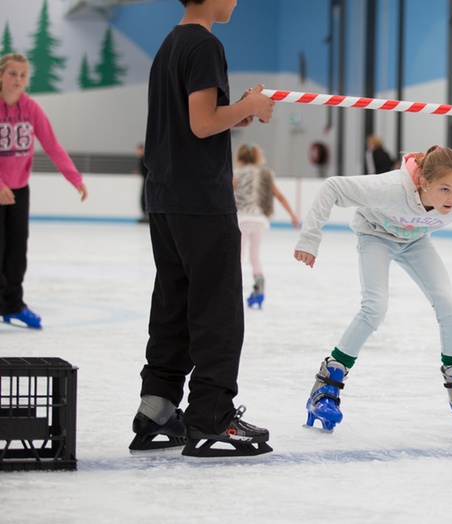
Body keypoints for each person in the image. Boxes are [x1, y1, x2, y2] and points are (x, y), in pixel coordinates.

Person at [294, 146, 452, 431]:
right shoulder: (391, 188)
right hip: (375, 234)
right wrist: (309, 239)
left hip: (415, 241)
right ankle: (325, 386)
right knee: (374, 307)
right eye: (445, 189)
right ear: (424, 183)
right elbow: (333, 187)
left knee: (449, 305)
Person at [129, 0, 275, 458]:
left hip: (166, 197)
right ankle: (212, 415)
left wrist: (239, 111)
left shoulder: (170, 45)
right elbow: (202, 122)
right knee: (218, 309)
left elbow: (197, 120)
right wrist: (247, 105)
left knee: (174, 302)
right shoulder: (205, 45)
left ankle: (157, 406)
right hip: (200, 200)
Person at [0, 53, 88, 330]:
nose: (18, 80)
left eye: (23, 75)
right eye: (13, 73)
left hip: (19, 191)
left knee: (17, 252)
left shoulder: (32, 109)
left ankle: (12, 305)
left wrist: (75, 179)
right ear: (1, 75)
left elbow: (52, 146)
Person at [233, 142, 300, 309]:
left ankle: (232, 290)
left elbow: (225, 194)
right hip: (258, 220)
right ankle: (259, 289)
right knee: (254, 255)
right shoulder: (266, 174)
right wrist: (292, 215)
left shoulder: (237, 174)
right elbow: (279, 196)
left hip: (241, 220)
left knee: (237, 257)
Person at [134, 143, 149, 223]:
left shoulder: (145, 159)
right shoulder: (142, 159)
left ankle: (147, 215)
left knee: (145, 197)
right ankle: (145, 214)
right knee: (143, 198)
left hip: (147, 181)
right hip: (145, 180)